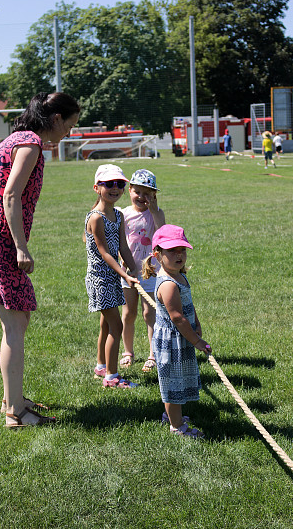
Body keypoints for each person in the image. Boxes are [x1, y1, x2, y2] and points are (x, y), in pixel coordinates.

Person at [0, 92, 80, 427]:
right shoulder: (30, 144)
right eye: (70, 124)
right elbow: (10, 194)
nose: (68, 132)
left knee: (18, 320)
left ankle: (13, 398)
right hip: (2, 239)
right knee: (14, 324)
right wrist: (21, 247)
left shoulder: (16, 139)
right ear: (56, 119)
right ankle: (16, 414)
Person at [142, 224, 212, 438]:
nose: (179, 255)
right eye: (171, 251)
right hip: (173, 342)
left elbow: (188, 306)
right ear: (157, 254)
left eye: (182, 249)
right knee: (173, 386)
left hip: (181, 338)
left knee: (176, 381)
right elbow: (177, 318)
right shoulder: (169, 284)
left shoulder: (179, 275)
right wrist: (197, 341)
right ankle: (177, 426)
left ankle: (173, 416)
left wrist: (197, 323)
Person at [85, 164, 139, 388]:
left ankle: (101, 365)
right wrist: (123, 274)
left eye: (120, 184)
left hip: (113, 276)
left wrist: (134, 268)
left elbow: (123, 247)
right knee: (116, 327)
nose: (115, 188)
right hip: (100, 279)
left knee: (106, 325)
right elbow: (104, 252)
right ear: (97, 188)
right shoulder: (96, 218)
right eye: (109, 184)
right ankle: (111, 376)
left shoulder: (118, 215)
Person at [119, 169, 165, 372]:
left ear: (154, 196)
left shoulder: (157, 213)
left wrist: (154, 211)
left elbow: (162, 233)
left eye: (147, 194)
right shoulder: (123, 214)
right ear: (130, 191)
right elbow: (120, 241)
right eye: (137, 191)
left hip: (151, 272)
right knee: (128, 313)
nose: (141, 197)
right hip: (128, 271)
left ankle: (153, 354)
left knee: (150, 313)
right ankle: (128, 351)